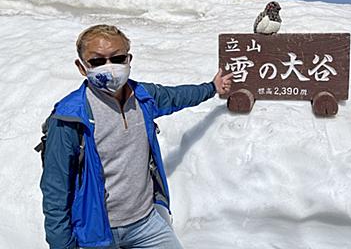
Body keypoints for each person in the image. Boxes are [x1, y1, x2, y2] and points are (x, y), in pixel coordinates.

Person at [40, 24, 233, 248]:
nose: (109, 67)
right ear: (82, 67)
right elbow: (56, 190)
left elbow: (177, 96)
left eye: (118, 58)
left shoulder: (143, 97)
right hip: (96, 231)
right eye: (97, 61)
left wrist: (212, 87)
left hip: (146, 222)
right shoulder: (69, 118)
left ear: (129, 59)